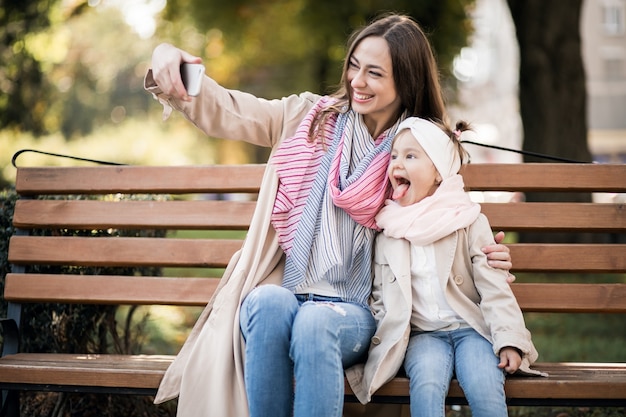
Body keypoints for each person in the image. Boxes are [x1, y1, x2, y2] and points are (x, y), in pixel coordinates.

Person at [145, 13, 513, 417]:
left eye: (374, 72)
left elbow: (448, 215)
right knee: (265, 302)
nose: (357, 80)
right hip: (289, 288)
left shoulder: (417, 150)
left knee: (316, 321)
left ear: (405, 81)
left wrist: (484, 255)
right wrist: (170, 61)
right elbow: (233, 111)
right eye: (354, 65)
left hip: (357, 311)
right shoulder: (309, 117)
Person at [346, 117, 546, 417]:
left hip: (472, 329)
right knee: (426, 384)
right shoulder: (389, 230)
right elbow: (379, 297)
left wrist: (509, 341)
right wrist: (385, 341)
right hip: (423, 335)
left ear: (438, 173)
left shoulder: (467, 220)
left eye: (411, 156)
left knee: (485, 382)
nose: (397, 164)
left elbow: (494, 289)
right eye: (395, 155)